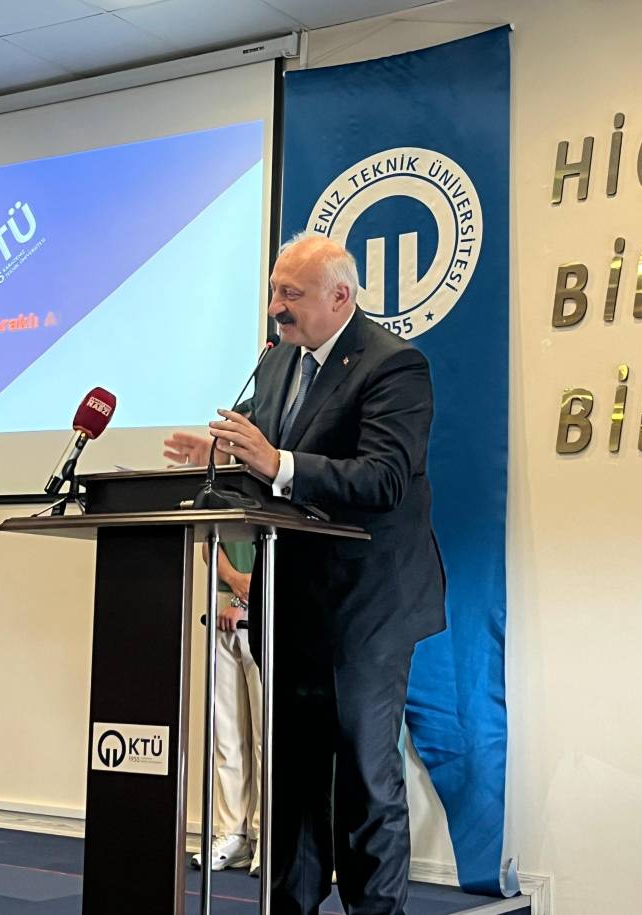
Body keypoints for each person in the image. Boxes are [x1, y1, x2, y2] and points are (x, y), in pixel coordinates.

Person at [164, 233, 446, 915]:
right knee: (291, 774)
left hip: (367, 605)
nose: (275, 308)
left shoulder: (394, 366)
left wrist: (276, 462)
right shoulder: (277, 362)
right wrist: (222, 455)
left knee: (363, 773)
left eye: (290, 294)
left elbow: (384, 479)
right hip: (288, 598)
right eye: (273, 292)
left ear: (340, 296)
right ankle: (290, 906)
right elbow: (264, 459)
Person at [190, 541, 263, 876]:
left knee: (265, 735)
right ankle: (232, 833)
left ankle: (265, 836)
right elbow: (209, 545)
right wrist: (233, 581)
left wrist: (243, 599)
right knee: (226, 732)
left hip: (267, 601)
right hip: (221, 602)